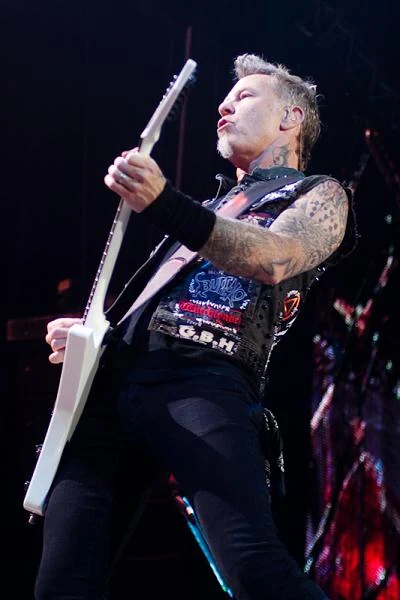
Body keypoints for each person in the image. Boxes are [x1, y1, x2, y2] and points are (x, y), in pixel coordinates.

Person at [36, 53, 356, 599]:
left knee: (253, 568)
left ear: (291, 117)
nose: (224, 108)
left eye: (244, 97)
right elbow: (165, 300)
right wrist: (97, 340)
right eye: (224, 100)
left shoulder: (318, 194)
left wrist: (165, 203)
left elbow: (274, 257)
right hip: (111, 387)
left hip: (202, 381)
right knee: (62, 582)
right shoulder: (213, 204)